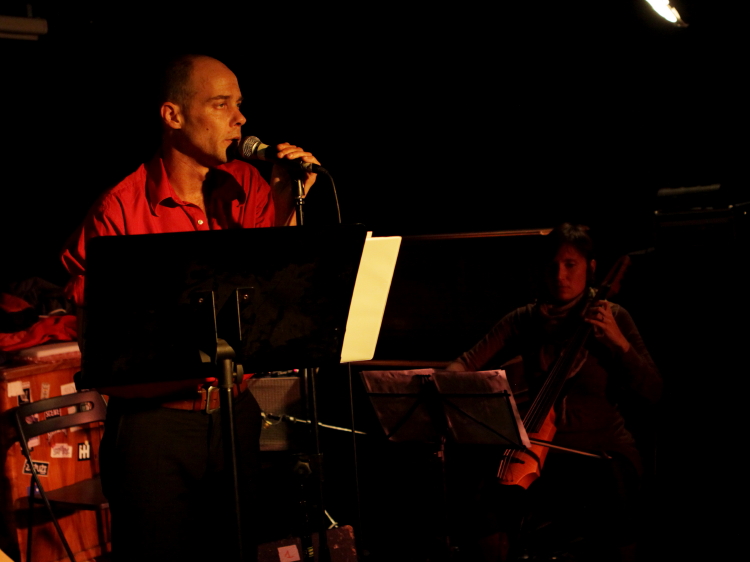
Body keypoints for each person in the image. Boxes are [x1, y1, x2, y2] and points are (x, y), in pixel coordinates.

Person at [60, 54, 321, 562]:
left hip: (235, 413)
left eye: (239, 104)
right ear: (173, 115)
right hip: (156, 425)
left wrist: (287, 199)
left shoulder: (248, 185)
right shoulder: (121, 209)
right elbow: (100, 340)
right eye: (221, 104)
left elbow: (276, 294)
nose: (240, 119)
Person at [444, 223, 662, 562]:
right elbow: (466, 363)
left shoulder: (613, 316)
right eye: (552, 266)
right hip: (534, 448)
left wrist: (618, 343)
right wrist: (444, 384)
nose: (560, 275)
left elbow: (654, 390)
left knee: (612, 488)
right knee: (480, 493)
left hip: (600, 449)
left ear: (591, 268)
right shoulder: (525, 319)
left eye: (570, 264)